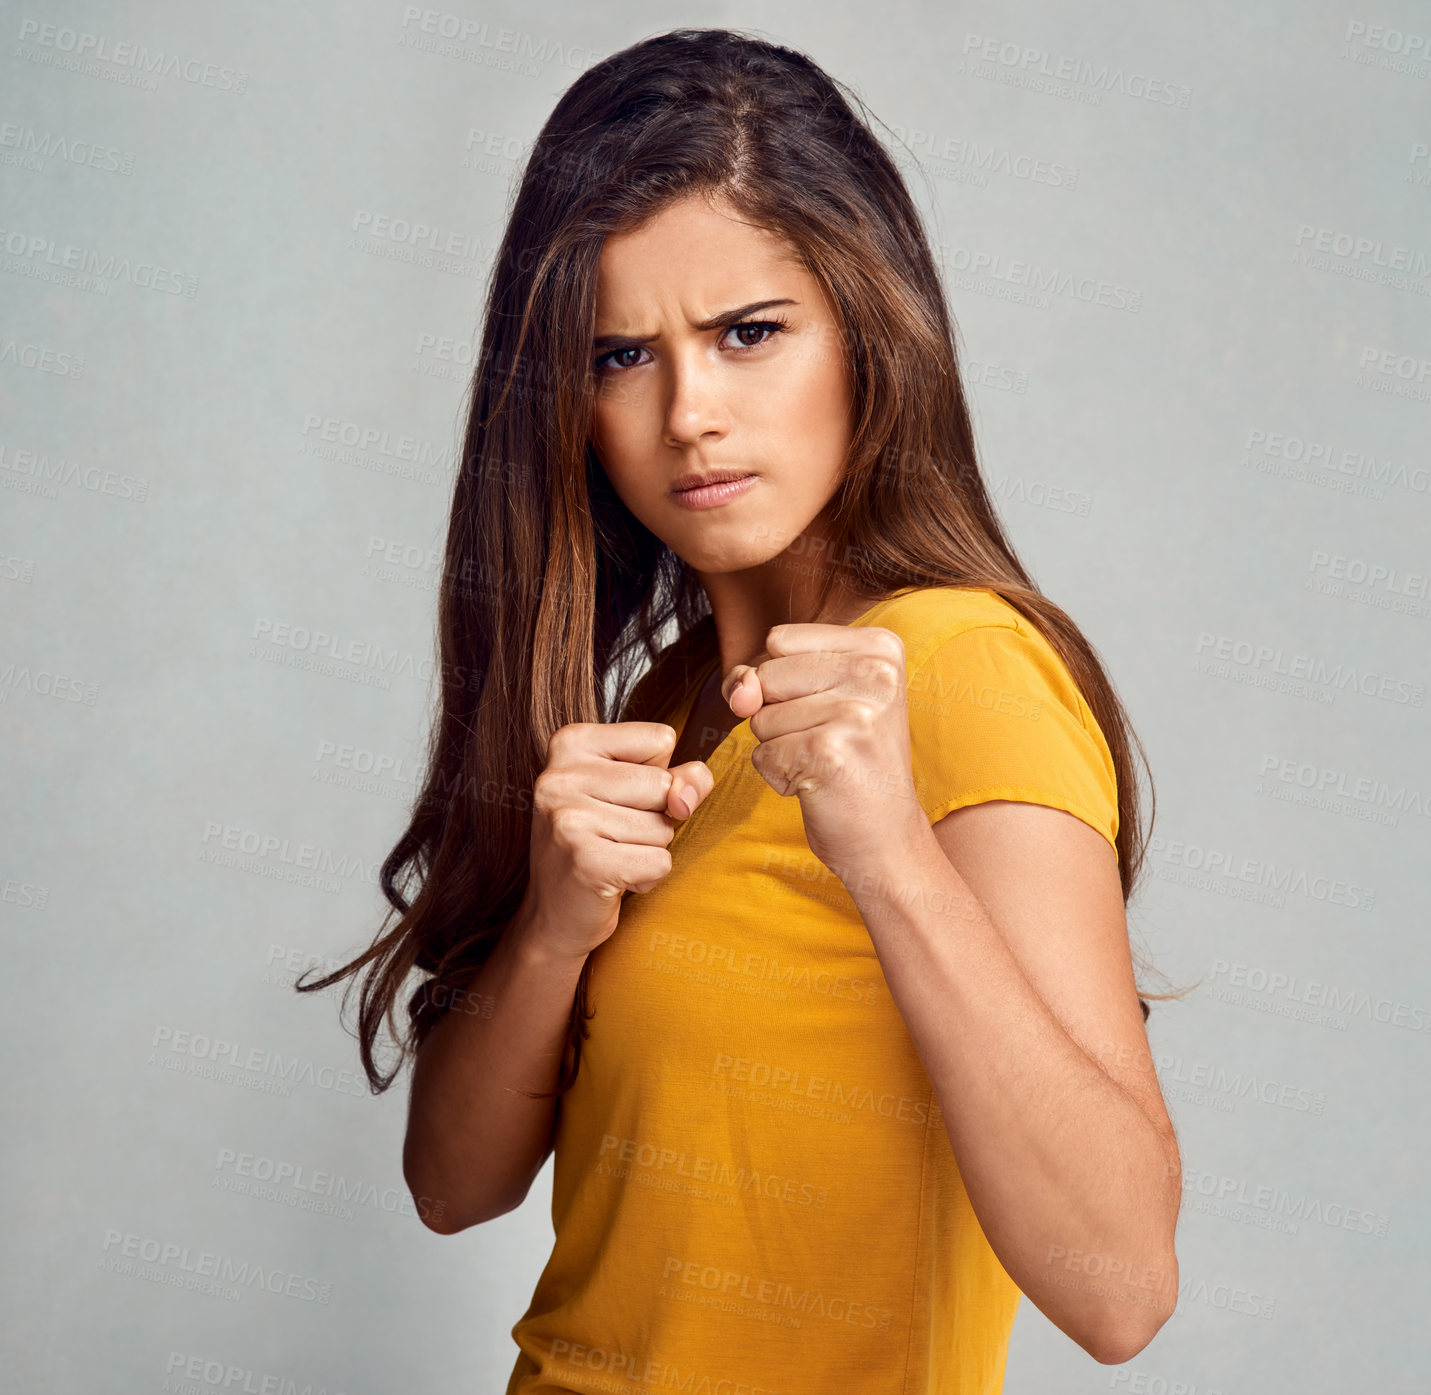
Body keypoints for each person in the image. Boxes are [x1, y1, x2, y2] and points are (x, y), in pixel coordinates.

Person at [299, 27, 1183, 1394]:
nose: (691, 413)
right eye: (619, 357)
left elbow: (1122, 1287)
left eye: (749, 333)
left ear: (867, 330)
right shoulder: (662, 708)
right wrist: (551, 929)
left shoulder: (957, 667)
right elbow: (452, 1186)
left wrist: (887, 854)